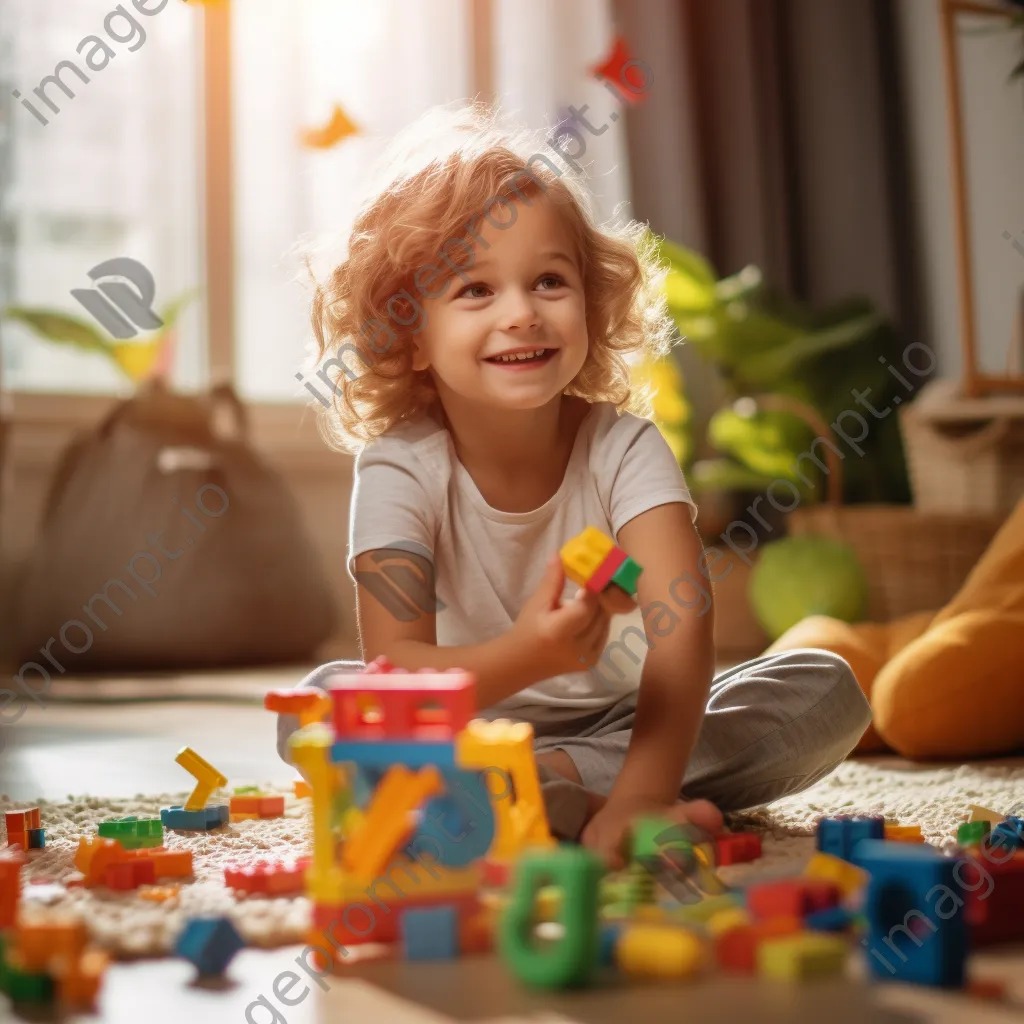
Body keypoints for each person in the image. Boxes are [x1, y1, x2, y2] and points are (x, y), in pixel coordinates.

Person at [277, 104, 871, 867]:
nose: (522, 313)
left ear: (589, 301)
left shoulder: (625, 448)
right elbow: (397, 671)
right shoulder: (398, 466)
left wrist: (641, 794)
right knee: (323, 706)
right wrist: (529, 653)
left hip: (628, 722)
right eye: (475, 291)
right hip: (455, 718)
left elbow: (682, 625)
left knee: (824, 688)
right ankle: (529, 785)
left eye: (549, 281)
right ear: (409, 336)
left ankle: (533, 789)